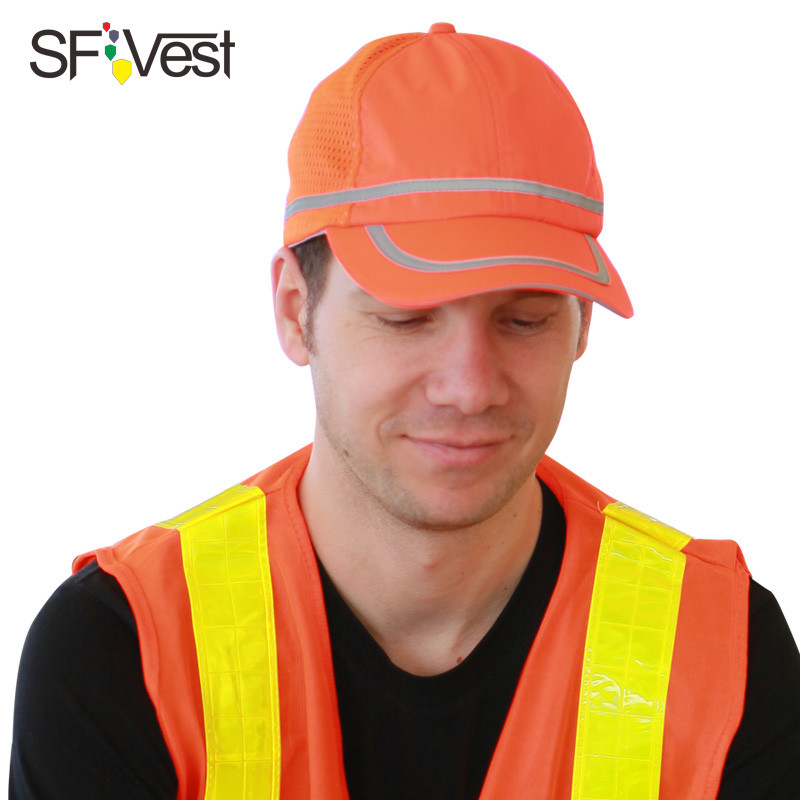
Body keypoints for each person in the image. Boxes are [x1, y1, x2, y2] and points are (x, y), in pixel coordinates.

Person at [10, 23, 800, 800]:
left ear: (581, 324)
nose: (470, 387)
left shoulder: (718, 651)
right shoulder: (127, 648)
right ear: (294, 311)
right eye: (406, 318)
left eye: (524, 318)